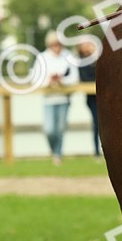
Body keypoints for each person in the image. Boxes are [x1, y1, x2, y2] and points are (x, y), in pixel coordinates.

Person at [33, 31, 78, 165]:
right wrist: (48, 81)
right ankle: (54, 151)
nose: (56, 47)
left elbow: (74, 78)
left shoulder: (69, 56)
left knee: (60, 128)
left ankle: (57, 155)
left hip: (64, 98)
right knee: (49, 129)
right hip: (48, 98)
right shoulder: (42, 57)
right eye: (53, 44)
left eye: (58, 44)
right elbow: (35, 78)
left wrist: (62, 80)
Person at [77, 38, 101, 158]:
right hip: (92, 98)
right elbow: (86, 77)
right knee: (97, 123)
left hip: (104, 98)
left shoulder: (99, 58)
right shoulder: (81, 61)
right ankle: (97, 151)